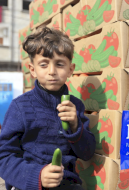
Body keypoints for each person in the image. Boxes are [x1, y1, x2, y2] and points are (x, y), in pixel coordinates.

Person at [0, 26, 96, 190]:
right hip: (28, 184)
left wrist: (75, 126)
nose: (52, 71)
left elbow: (87, 153)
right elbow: (4, 157)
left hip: (67, 184)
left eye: (59, 64)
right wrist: (37, 176)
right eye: (44, 64)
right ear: (33, 70)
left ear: (70, 70)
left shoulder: (76, 106)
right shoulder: (20, 107)